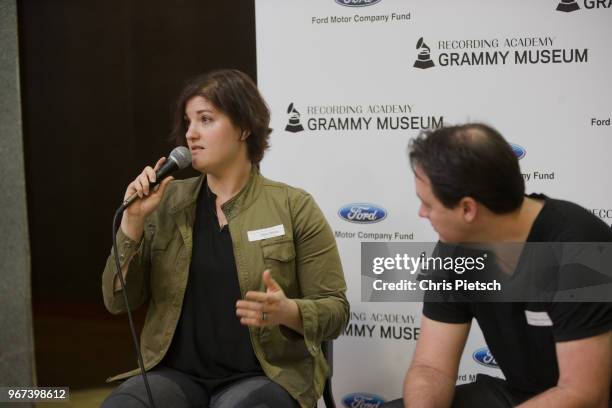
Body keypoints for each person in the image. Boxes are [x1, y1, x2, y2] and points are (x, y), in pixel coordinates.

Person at [101, 69, 349, 408]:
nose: (191, 134)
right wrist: (132, 222)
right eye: (188, 122)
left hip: (263, 376)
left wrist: (288, 311)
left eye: (205, 119)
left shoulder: (293, 206)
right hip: (174, 375)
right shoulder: (166, 203)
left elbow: (335, 311)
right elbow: (119, 303)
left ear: (244, 127)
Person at [384, 123, 612, 407]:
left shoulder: (579, 245)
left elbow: (584, 394)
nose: (422, 213)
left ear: (468, 209)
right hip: (518, 395)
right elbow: (431, 368)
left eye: (428, 205)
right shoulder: (454, 248)